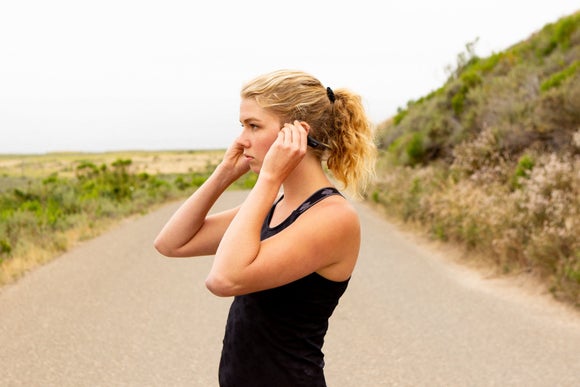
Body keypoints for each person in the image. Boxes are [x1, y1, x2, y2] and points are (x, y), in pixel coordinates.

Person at [154, 69, 376, 386]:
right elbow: (171, 243)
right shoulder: (272, 207)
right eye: (242, 126)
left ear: (297, 134)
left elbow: (224, 279)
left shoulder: (333, 217)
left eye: (254, 126)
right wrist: (224, 174)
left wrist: (269, 178)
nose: (241, 140)